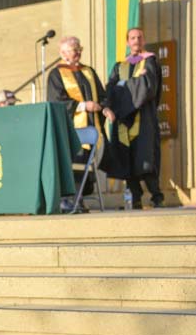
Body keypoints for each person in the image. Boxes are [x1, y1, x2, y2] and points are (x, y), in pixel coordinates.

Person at [101, 27, 164, 209]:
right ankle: (135, 197)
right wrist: (132, 84)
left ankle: (156, 196)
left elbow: (149, 88)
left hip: (143, 118)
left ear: (143, 40)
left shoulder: (150, 61)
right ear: (127, 42)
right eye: (132, 38)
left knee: (146, 158)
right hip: (123, 120)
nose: (136, 40)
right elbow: (111, 89)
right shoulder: (120, 65)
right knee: (126, 158)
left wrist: (124, 86)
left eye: (139, 37)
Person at [47, 36, 112, 211]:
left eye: (78, 48)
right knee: (75, 163)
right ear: (62, 53)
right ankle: (71, 200)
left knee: (89, 166)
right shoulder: (56, 74)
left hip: (93, 125)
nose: (77, 52)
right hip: (71, 130)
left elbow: (102, 95)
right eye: (73, 49)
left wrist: (105, 108)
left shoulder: (88, 71)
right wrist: (83, 106)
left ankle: (80, 199)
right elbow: (57, 101)